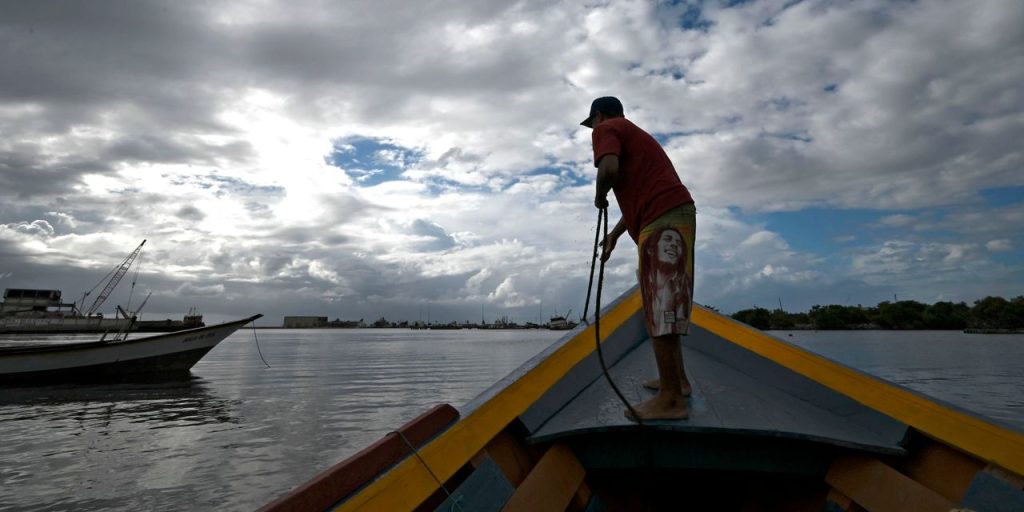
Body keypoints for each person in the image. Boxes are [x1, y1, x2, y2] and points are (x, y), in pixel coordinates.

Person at [582, 96, 696, 421]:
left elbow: (608, 168)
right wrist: (616, 235)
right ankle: (679, 382)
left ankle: (672, 400)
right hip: (668, 215)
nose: (594, 131)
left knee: (660, 304)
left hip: (664, 218)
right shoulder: (634, 134)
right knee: (666, 302)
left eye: (593, 124)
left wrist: (599, 194)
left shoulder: (607, 128)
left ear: (599, 116)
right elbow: (638, 198)